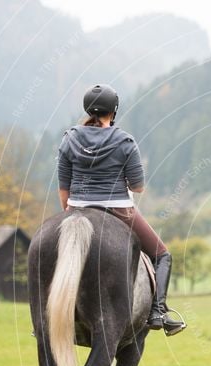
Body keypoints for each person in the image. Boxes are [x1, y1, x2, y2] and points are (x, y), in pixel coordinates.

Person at [57, 83, 186, 336]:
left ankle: (44, 317)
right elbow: (137, 187)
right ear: (113, 112)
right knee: (162, 255)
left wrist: (73, 209)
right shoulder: (125, 141)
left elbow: (64, 190)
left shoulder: (68, 139)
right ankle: (158, 312)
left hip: (76, 208)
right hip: (117, 209)